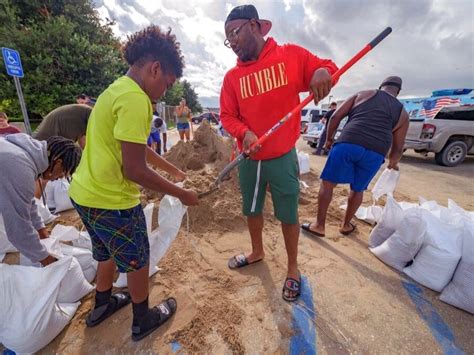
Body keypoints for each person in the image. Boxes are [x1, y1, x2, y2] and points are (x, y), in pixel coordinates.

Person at [68, 25, 199, 342]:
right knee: (138, 258)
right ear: (156, 68)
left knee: (105, 252)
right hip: (112, 200)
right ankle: (143, 318)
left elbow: (133, 147)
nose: (164, 92)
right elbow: (134, 169)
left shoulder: (115, 90)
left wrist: (173, 169)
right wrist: (182, 193)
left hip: (84, 195)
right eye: (166, 83)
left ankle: (102, 304)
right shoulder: (137, 100)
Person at [220, 4, 338, 302]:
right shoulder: (232, 78)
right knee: (251, 209)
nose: (231, 42)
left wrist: (324, 72)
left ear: (255, 26)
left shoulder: (290, 56)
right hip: (250, 159)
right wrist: (244, 132)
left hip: (283, 155)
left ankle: (293, 268)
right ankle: (257, 251)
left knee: (288, 214)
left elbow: (326, 69)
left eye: (234, 33)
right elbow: (226, 116)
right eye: (227, 39)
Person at [301, 76, 409, 237]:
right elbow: (398, 147)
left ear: (381, 86)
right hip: (376, 152)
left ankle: (319, 226)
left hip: (349, 142)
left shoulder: (363, 94)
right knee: (358, 189)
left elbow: (336, 116)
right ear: (398, 92)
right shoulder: (403, 114)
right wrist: (393, 163)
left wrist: (329, 139)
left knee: (328, 183)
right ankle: (345, 225)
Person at [0, 134, 81, 266]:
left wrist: (42, 230)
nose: (59, 178)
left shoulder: (26, 154)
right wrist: (48, 261)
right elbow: (18, 229)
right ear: (58, 162)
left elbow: (27, 200)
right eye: (63, 173)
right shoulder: (19, 167)